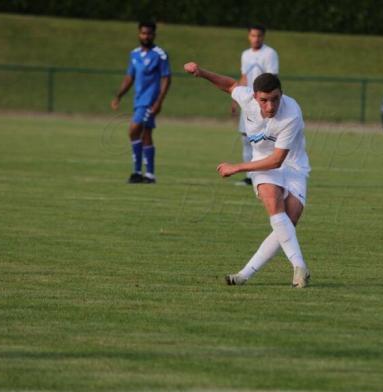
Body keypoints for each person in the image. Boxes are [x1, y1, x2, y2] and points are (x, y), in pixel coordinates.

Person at [184, 61, 310, 288]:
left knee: (287, 223)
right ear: (254, 97)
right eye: (264, 100)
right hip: (262, 166)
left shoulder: (292, 114)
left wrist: (237, 167)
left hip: (293, 166)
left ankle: (244, 274)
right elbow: (230, 85)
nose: (270, 106)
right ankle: (299, 267)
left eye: (275, 99)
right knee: (273, 204)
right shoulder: (247, 100)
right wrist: (201, 72)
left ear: (282, 94)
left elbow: (277, 160)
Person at [111, 21, 171, 184]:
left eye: (149, 33)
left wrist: (159, 101)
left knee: (133, 130)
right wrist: (119, 95)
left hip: (150, 101)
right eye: (143, 33)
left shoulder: (160, 54)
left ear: (154, 35)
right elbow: (129, 77)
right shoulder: (134, 54)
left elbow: (166, 78)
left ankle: (140, 172)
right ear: (139, 34)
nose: (146, 36)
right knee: (145, 134)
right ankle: (145, 174)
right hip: (138, 101)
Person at [232, 25, 279, 186]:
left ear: (263, 37)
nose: (256, 38)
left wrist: (267, 102)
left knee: (265, 140)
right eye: (253, 35)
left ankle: (268, 175)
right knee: (246, 139)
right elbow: (244, 77)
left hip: (263, 103)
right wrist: (235, 99)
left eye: (259, 36)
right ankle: (249, 177)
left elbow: (272, 79)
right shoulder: (245, 55)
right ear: (248, 36)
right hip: (248, 102)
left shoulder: (270, 53)